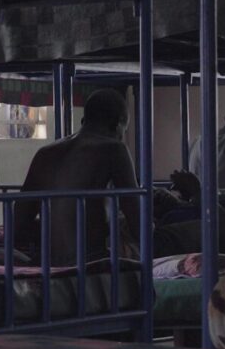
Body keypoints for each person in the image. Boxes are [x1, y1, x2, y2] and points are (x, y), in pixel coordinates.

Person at [15, 89, 139, 265]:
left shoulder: (45, 153)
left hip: (47, 264)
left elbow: (18, 226)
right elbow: (140, 227)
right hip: (89, 265)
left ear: (83, 121)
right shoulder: (115, 149)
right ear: (117, 125)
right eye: (124, 131)